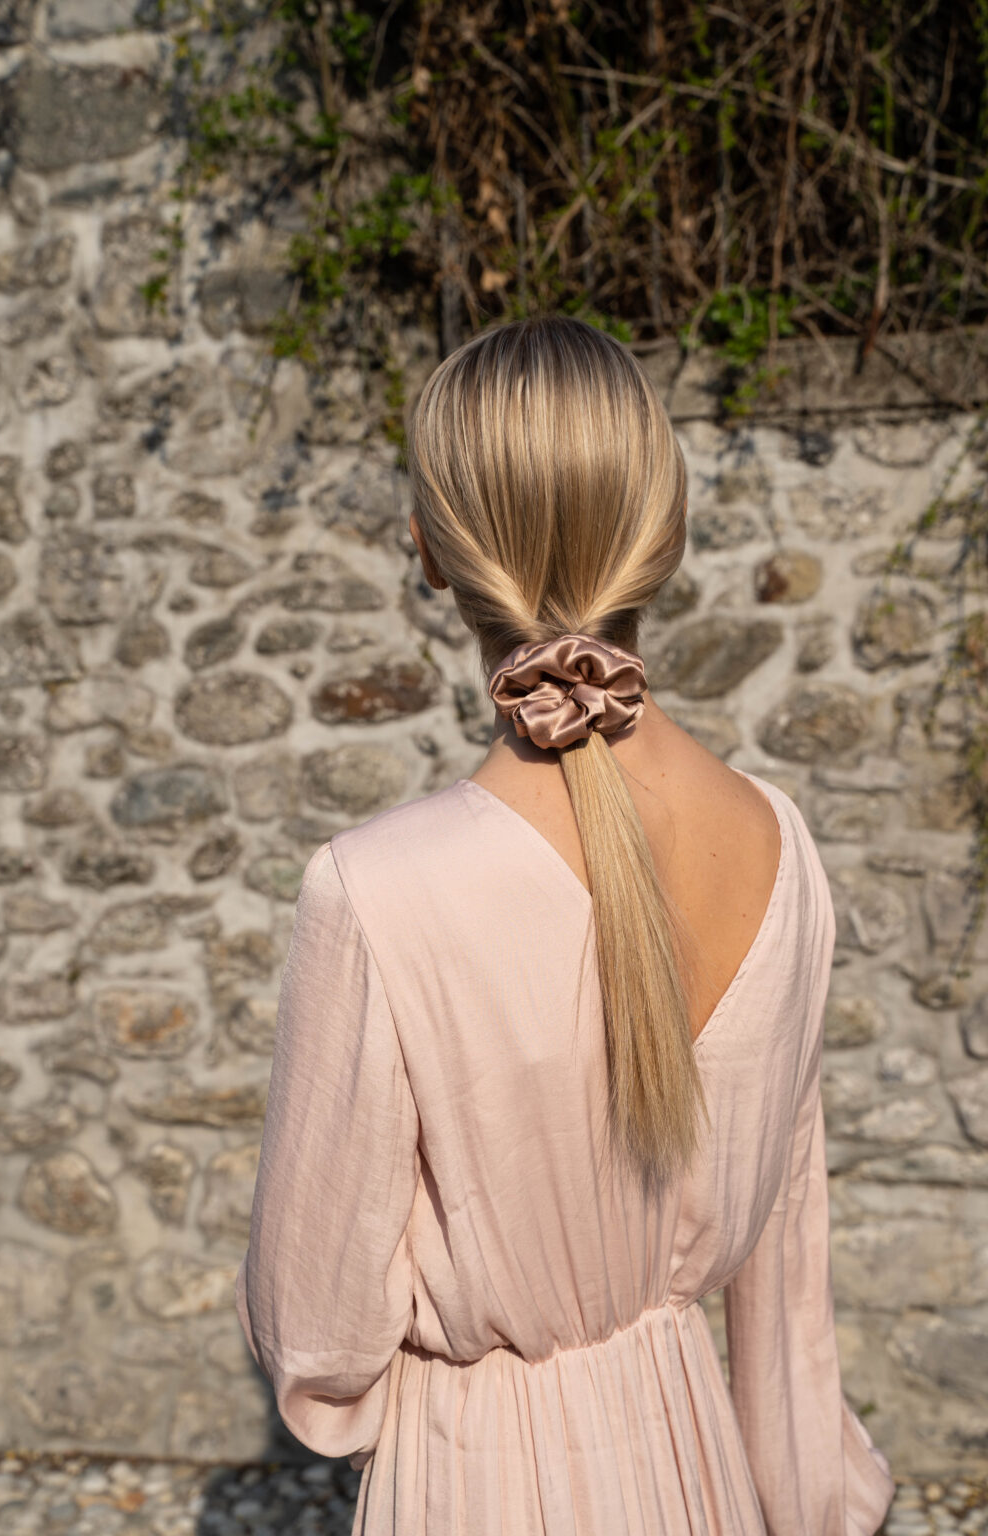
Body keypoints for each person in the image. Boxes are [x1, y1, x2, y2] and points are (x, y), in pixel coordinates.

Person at [234, 316, 896, 1534]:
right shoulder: (782, 844)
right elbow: (786, 1265)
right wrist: (809, 1496)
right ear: (665, 534)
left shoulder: (375, 893)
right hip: (700, 1470)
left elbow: (320, 1338)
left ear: (429, 551)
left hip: (475, 1481)